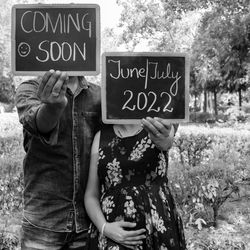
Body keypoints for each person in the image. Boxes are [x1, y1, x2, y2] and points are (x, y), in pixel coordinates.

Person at [15, 69, 178, 249]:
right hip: (44, 222)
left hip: (87, 225)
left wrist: (166, 138)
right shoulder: (30, 89)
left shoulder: (100, 97)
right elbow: (39, 124)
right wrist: (53, 107)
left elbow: (127, 137)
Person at [84, 121, 186, 249]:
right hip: (112, 232)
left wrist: (164, 135)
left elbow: (166, 141)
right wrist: (105, 227)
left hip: (158, 229)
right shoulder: (101, 136)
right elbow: (91, 195)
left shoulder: (156, 127)